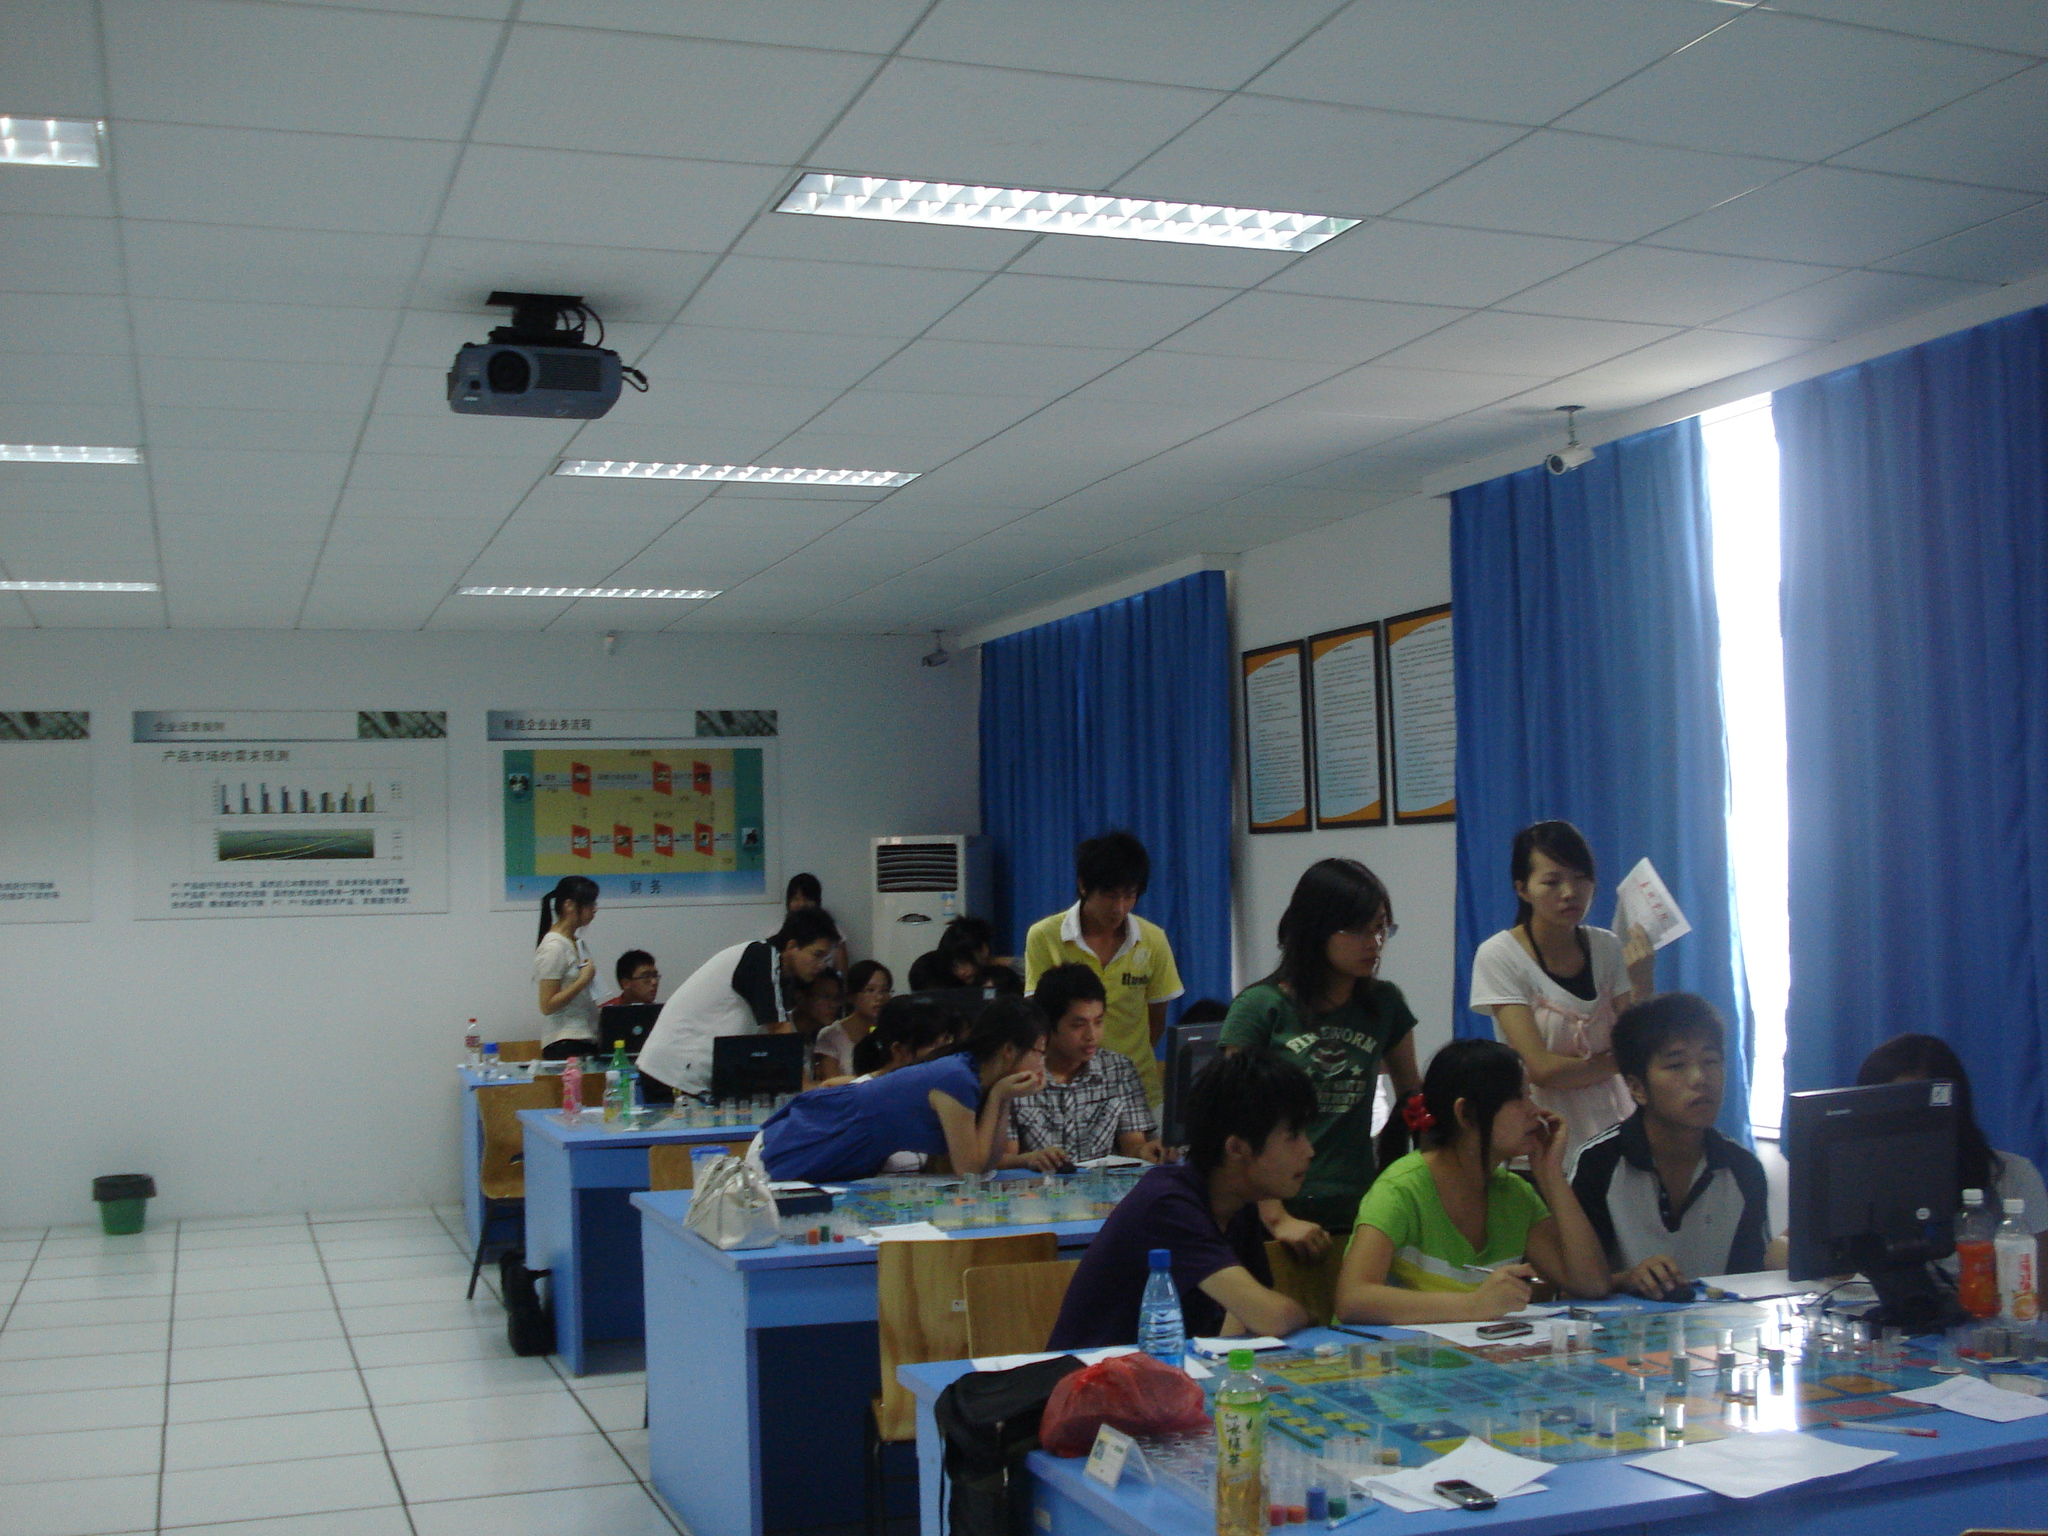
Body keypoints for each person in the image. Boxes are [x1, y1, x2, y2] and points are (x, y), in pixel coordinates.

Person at [1047, 1051, 1317, 1350]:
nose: (1309, 1151)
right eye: (1293, 1137)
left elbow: (1244, 1316)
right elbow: (1270, 1317)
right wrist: (1306, 1315)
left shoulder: (1240, 1202)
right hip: (1093, 1373)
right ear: (1237, 1148)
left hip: (1163, 1369)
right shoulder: (1167, 1204)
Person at [1335, 1039, 1611, 1324]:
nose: (1534, 1110)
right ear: (1466, 1113)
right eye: (1519, 1097)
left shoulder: (1515, 1194)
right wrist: (1473, 1305)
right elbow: (1353, 1300)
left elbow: (1591, 1283)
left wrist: (1551, 1175)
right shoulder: (1400, 1190)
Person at [1221, 859, 1421, 1248]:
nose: (1374, 942)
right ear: (1316, 928)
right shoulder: (1261, 1007)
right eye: (1358, 929)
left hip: (1359, 1206)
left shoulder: (1385, 1003)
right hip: (1273, 1215)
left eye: (1381, 927)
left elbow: (1413, 1097)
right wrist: (1276, 1218)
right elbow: (1235, 1118)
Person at [1471, 821, 1655, 1158]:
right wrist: (1617, 1060)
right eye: (1552, 881)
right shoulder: (1499, 955)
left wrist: (1642, 981)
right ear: (1522, 889)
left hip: (1616, 1127)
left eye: (1580, 877)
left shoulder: (1607, 946)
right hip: (1543, 1137)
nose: (1570, 892)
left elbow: (1640, 1045)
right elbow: (1542, 1070)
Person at [1569, 994, 1769, 1296]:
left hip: (1719, 1322)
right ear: (1637, 1088)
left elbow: (1750, 1282)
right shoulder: (1598, 1163)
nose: (1700, 1079)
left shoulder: (1743, 1169)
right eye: (1676, 1065)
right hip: (1622, 1322)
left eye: (1711, 1061)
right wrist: (1626, 1279)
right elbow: (1572, 1286)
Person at [758, 997, 1048, 1183]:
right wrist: (999, 1097)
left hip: (848, 1151)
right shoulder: (958, 1078)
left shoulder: (978, 1080)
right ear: (1009, 1050)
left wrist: (1003, 1097)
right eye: (1039, 1052)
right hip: (813, 1137)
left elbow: (987, 1163)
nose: (1041, 1063)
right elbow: (970, 1169)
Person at [1857, 1034, 2048, 1277]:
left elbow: (2038, 1290)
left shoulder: (2013, 1177)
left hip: (1978, 1301)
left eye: (1916, 1107)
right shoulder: (1852, 1179)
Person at [1023, 830, 1184, 1108]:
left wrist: (1119, 1066)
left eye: (1129, 896)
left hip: (1137, 1090)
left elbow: (1156, 1019)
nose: (1119, 908)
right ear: (1084, 886)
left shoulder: (1153, 939)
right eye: (1110, 896)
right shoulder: (1045, 936)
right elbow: (1039, 1018)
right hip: (1068, 1091)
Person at [635, 906, 842, 1100]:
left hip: (688, 1074)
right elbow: (779, 1032)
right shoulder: (761, 957)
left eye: (826, 958)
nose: (821, 965)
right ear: (792, 946)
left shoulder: (780, 976)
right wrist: (805, 1086)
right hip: (672, 1072)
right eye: (817, 955)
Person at [1004, 963, 1163, 1171]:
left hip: (1103, 1187)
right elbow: (1004, 1158)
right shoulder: (1019, 1076)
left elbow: (1132, 1146)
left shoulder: (1118, 1070)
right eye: (1078, 1025)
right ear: (1047, 1025)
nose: (1091, 1035)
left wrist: (1144, 1151)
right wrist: (1028, 1159)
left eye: (1098, 1022)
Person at [533, 876, 602, 1059]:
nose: (595, 908)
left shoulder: (576, 942)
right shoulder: (554, 946)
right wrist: (583, 980)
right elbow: (547, 1005)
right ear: (569, 905)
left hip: (586, 1036)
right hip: (564, 1042)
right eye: (589, 903)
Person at [846, 993, 959, 1079]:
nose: (948, 1048)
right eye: (934, 1042)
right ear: (899, 1050)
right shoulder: (862, 1093)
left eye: (948, 1038)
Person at [814, 959, 891, 1080]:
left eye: (884, 990)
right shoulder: (830, 1035)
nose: (879, 997)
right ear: (851, 996)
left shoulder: (891, 1031)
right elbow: (831, 1083)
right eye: (870, 990)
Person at [908, 915, 1022, 995]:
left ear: (983, 949)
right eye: (954, 965)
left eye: (965, 962)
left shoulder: (1008, 971)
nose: (961, 971)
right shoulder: (929, 971)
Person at [785, 872, 849, 975]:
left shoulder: (832, 931)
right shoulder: (779, 932)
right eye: (796, 899)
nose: (802, 904)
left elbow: (842, 974)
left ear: (817, 901)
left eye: (807, 899)